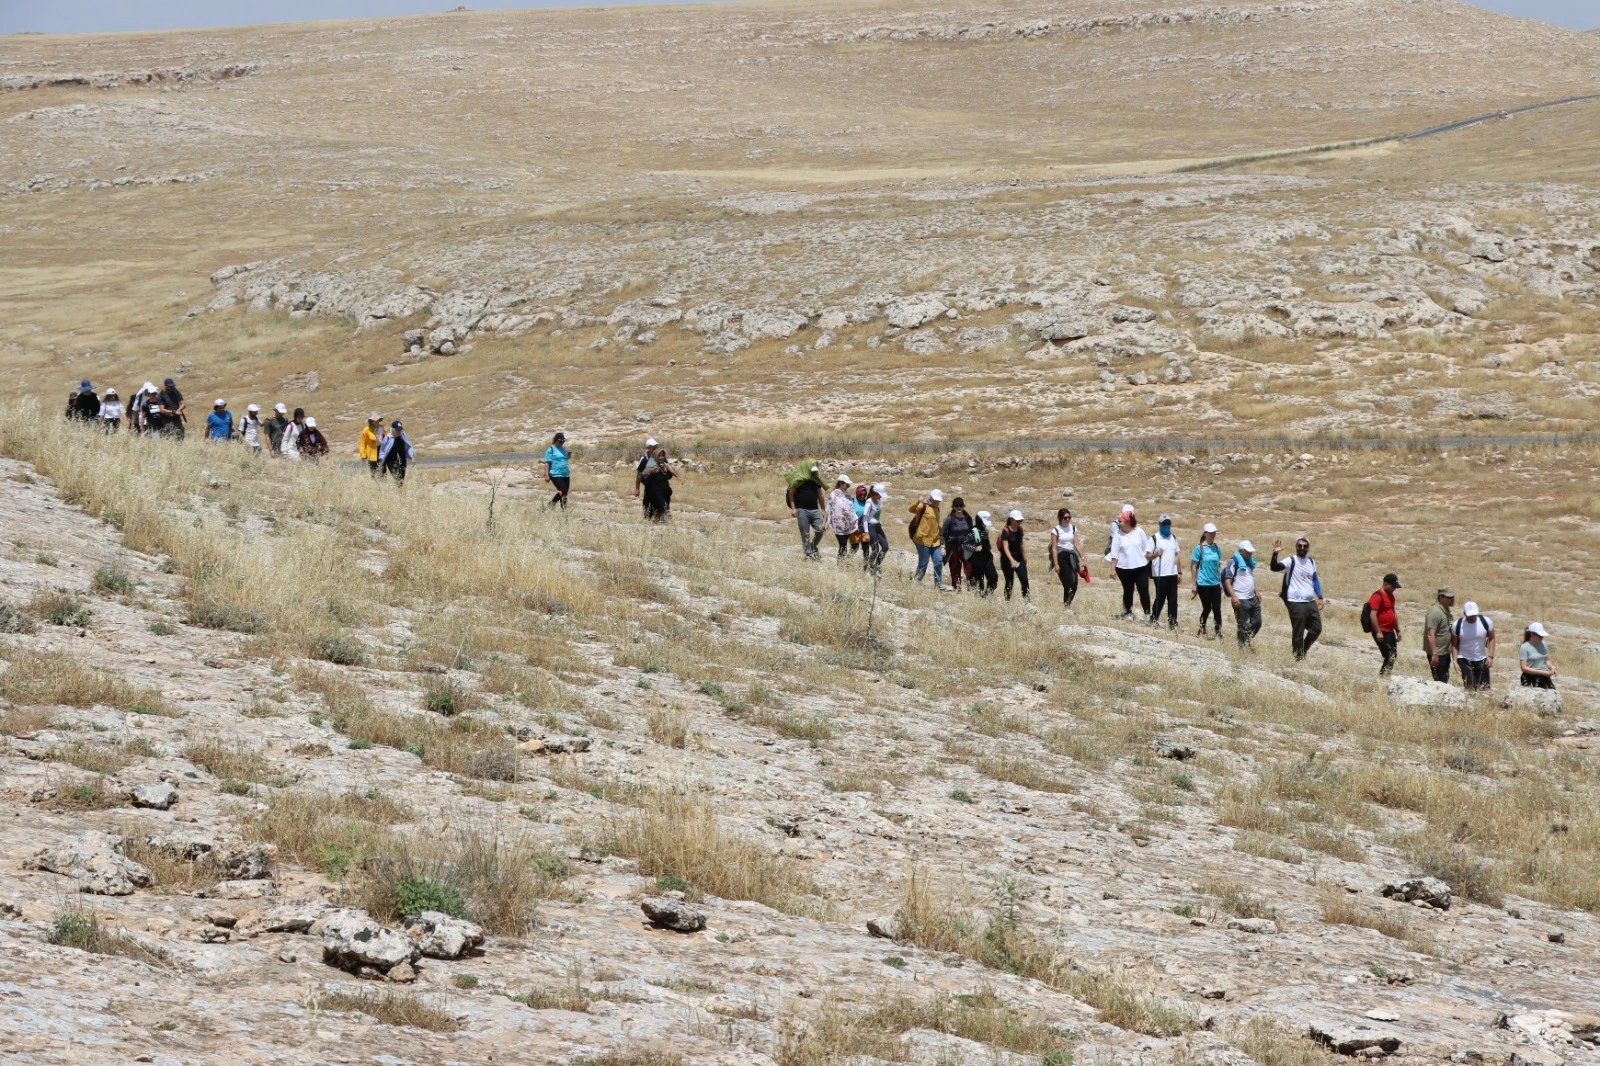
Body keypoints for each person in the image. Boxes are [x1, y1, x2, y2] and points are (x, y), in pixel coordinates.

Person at [1271, 537, 1324, 660]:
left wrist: (1320, 597)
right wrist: (1275, 554)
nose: (1302, 548)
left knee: (1316, 629)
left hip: (1310, 601)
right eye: (1299, 546)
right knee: (1298, 631)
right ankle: (1298, 657)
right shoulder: (1291, 560)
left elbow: (1314, 579)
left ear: (1308, 548)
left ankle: (1303, 650)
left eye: (1305, 546)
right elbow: (1274, 568)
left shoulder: (1311, 562)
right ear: (1296, 547)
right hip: (1295, 601)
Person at [1106, 508, 1153, 620]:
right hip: (1123, 568)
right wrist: (1112, 569)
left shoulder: (1139, 531)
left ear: (1128, 522)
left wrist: (1151, 562)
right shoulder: (1118, 535)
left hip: (1141, 566)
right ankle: (1127, 613)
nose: (1118, 523)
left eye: (1120, 521)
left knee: (1143, 590)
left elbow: (1146, 548)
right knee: (1128, 590)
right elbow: (1114, 554)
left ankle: (1147, 615)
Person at [1221, 540, 1261, 647]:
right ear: (1241, 551)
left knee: (1257, 622)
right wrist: (1234, 597)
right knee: (1242, 625)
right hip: (1240, 598)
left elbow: (1250, 578)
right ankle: (1242, 647)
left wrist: (1256, 591)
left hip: (1252, 597)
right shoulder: (1233, 562)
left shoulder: (1249, 562)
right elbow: (1227, 581)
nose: (1250, 554)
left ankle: (1246, 640)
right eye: (1248, 551)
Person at [1451, 601, 1495, 691]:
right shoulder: (1457, 625)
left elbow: (1492, 638)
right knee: (1470, 688)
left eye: (1474, 615)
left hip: (1481, 658)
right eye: (1470, 615)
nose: (1472, 617)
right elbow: (1454, 645)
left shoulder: (1486, 622)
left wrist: (1490, 657)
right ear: (1464, 613)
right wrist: (1455, 661)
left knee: (1484, 689)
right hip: (1464, 659)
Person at [786, 463, 827, 559]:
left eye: (815, 471)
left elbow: (820, 495)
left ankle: (813, 546)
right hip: (802, 509)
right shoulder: (798, 480)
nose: (814, 472)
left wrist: (823, 509)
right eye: (812, 471)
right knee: (805, 533)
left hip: (815, 509)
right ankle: (808, 553)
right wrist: (793, 509)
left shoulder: (816, 480)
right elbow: (791, 494)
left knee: (820, 529)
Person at [1365, 573, 1402, 676]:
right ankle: (1382, 677)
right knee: (1389, 655)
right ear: (1386, 584)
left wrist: (1398, 630)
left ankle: (1386, 676)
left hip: (1390, 631)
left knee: (1393, 655)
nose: (1394, 588)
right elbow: (1373, 615)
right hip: (1381, 631)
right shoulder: (1377, 596)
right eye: (1393, 586)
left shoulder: (1391, 596)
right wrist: (1378, 632)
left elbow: (1393, 613)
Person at [1148, 514, 1182, 630]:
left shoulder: (1173, 538)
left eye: (1168, 523)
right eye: (1164, 524)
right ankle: (1154, 618)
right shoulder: (1154, 538)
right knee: (1160, 598)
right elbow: (1147, 556)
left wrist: (1179, 572)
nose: (1167, 526)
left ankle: (1173, 622)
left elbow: (1177, 555)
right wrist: (1155, 554)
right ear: (1160, 524)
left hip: (1172, 573)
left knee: (1173, 599)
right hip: (1159, 574)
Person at [1191, 523, 1224, 637]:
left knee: (1217, 608)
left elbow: (1217, 566)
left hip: (1215, 583)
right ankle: (1202, 628)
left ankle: (1218, 632)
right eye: (1211, 533)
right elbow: (1194, 566)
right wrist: (1194, 584)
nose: (1213, 534)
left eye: (1214, 532)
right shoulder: (1199, 548)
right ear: (1205, 534)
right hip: (1203, 583)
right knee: (1207, 607)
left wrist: (1220, 582)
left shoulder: (1216, 548)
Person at [908, 489, 945, 587]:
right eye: (935, 500)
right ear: (931, 498)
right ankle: (917, 582)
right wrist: (918, 501)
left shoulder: (937, 509)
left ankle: (938, 583)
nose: (937, 502)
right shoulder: (923, 506)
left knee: (938, 561)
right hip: (922, 540)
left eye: (938, 501)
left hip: (935, 540)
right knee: (923, 562)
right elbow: (911, 509)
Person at [1048, 508, 1081, 610]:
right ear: (1059, 518)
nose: (1067, 520)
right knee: (1068, 583)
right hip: (1061, 556)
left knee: (1075, 583)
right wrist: (1056, 564)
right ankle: (1066, 607)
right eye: (1065, 518)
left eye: (1069, 517)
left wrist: (1082, 556)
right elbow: (1054, 548)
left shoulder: (1073, 528)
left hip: (1072, 556)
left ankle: (1067, 604)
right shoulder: (1056, 530)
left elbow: (1076, 544)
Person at [1423, 587, 1455, 684]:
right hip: (1438, 653)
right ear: (1440, 598)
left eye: (1452, 597)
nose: (1452, 600)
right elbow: (1430, 634)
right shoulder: (1434, 612)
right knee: (1440, 680)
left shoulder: (1445, 610)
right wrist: (1434, 654)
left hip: (1444, 651)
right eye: (1449, 598)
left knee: (1444, 677)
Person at [941, 497, 974, 591]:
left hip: (966, 546)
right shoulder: (949, 519)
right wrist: (942, 546)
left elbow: (971, 532)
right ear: (953, 507)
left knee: (969, 566)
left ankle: (971, 587)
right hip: (953, 546)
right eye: (957, 506)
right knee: (955, 567)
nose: (959, 508)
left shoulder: (968, 518)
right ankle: (956, 588)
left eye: (961, 506)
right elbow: (942, 534)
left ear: (964, 506)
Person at [639, 445, 679, 522]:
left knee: (660, 512)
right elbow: (642, 478)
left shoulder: (665, 465)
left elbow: (668, 477)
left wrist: (666, 471)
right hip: (653, 493)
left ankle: (659, 523)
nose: (661, 457)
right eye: (659, 456)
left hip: (664, 493)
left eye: (662, 455)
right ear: (655, 456)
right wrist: (652, 474)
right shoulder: (651, 465)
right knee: (660, 509)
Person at [999, 509, 1029, 600]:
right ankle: (1007, 601)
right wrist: (1012, 560)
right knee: (1009, 581)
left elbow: (1021, 543)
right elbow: (1005, 548)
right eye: (1017, 520)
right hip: (1007, 559)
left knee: (1024, 580)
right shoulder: (1006, 531)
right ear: (1011, 520)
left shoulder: (1020, 529)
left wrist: (1024, 556)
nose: (1019, 522)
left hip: (1019, 557)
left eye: (1021, 520)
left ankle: (1027, 602)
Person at [967, 510, 999, 594]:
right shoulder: (972, 532)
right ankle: (979, 598)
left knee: (993, 577)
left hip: (987, 557)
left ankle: (987, 594)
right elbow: (966, 545)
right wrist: (975, 548)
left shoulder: (985, 530)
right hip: (976, 559)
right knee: (978, 582)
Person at [827, 476, 858, 557]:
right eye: (847, 485)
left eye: (849, 485)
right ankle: (841, 566)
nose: (848, 487)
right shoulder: (833, 495)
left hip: (848, 525)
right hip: (838, 525)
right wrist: (825, 523)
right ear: (841, 483)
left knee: (851, 545)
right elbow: (829, 509)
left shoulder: (848, 495)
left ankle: (844, 563)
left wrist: (855, 521)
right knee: (843, 545)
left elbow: (851, 509)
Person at [1518, 623, 1555, 689]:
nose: (1541, 638)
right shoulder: (1524, 647)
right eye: (1540, 636)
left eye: (1542, 637)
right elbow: (1524, 668)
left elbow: (1546, 660)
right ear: (1532, 634)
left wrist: (1552, 668)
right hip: (1530, 678)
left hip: (1544, 677)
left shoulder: (1544, 644)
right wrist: (1543, 672)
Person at [862, 484, 889, 572]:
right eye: (880, 494)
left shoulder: (879, 501)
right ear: (875, 493)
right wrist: (866, 532)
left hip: (878, 526)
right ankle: (868, 568)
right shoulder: (869, 503)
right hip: (871, 527)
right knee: (875, 550)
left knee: (885, 547)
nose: (881, 496)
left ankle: (876, 565)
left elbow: (877, 515)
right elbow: (865, 518)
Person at [543, 432, 571, 507]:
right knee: (563, 490)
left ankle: (564, 510)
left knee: (565, 493)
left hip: (565, 473)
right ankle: (552, 503)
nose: (562, 443)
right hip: (555, 474)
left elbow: (565, 459)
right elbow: (547, 463)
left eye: (563, 441)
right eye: (560, 441)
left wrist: (569, 454)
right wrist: (546, 474)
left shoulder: (563, 449)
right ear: (556, 440)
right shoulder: (551, 449)